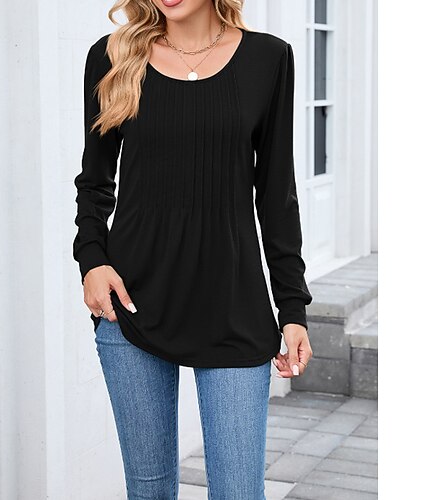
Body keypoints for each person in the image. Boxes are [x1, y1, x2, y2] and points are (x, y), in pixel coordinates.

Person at [73, 1, 314, 498]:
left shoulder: (269, 58)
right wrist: (92, 261)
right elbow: (95, 183)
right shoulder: (113, 56)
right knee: (149, 490)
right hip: (132, 304)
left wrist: (292, 309)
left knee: (238, 491)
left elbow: (276, 196)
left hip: (233, 307)